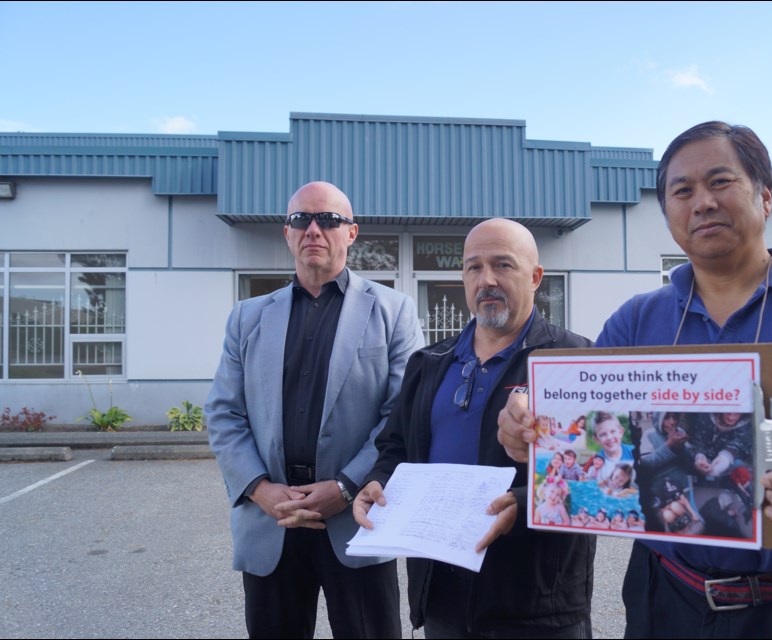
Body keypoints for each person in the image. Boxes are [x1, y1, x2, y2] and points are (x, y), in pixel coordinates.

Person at [497, 121, 772, 638]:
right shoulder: (638, 319)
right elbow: (579, 408)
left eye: (720, 182)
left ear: (765, 197)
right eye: (682, 191)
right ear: (669, 213)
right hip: (664, 593)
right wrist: (524, 416)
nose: (701, 203)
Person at [353, 218, 596, 638]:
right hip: (443, 595)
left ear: (536, 277)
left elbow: (601, 477)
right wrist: (377, 481)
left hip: (537, 604)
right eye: (473, 267)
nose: (486, 279)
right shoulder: (429, 363)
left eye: (503, 265)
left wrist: (522, 503)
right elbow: (395, 447)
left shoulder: (575, 360)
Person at [205, 181, 424, 639]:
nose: (313, 230)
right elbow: (225, 414)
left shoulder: (393, 311)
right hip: (272, 519)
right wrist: (259, 489)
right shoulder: (246, 317)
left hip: (356, 520)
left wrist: (345, 486)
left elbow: (400, 415)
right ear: (286, 233)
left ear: (352, 233)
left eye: (328, 219)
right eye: (300, 219)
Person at [591, 411, 635, 487]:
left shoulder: (634, 452)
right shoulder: (596, 461)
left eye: (613, 431)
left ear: (621, 432)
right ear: (596, 439)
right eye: (603, 434)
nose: (609, 437)